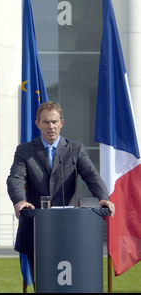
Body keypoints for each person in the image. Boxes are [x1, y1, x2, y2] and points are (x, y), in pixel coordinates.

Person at [6, 101, 115, 280]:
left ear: (62, 123)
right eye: (46, 122)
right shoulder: (24, 151)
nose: (51, 127)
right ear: (37, 124)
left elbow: (91, 175)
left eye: (55, 122)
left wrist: (102, 197)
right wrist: (20, 200)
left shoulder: (75, 149)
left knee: (69, 285)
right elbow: (15, 179)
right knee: (42, 285)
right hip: (36, 232)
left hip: (69, 230)